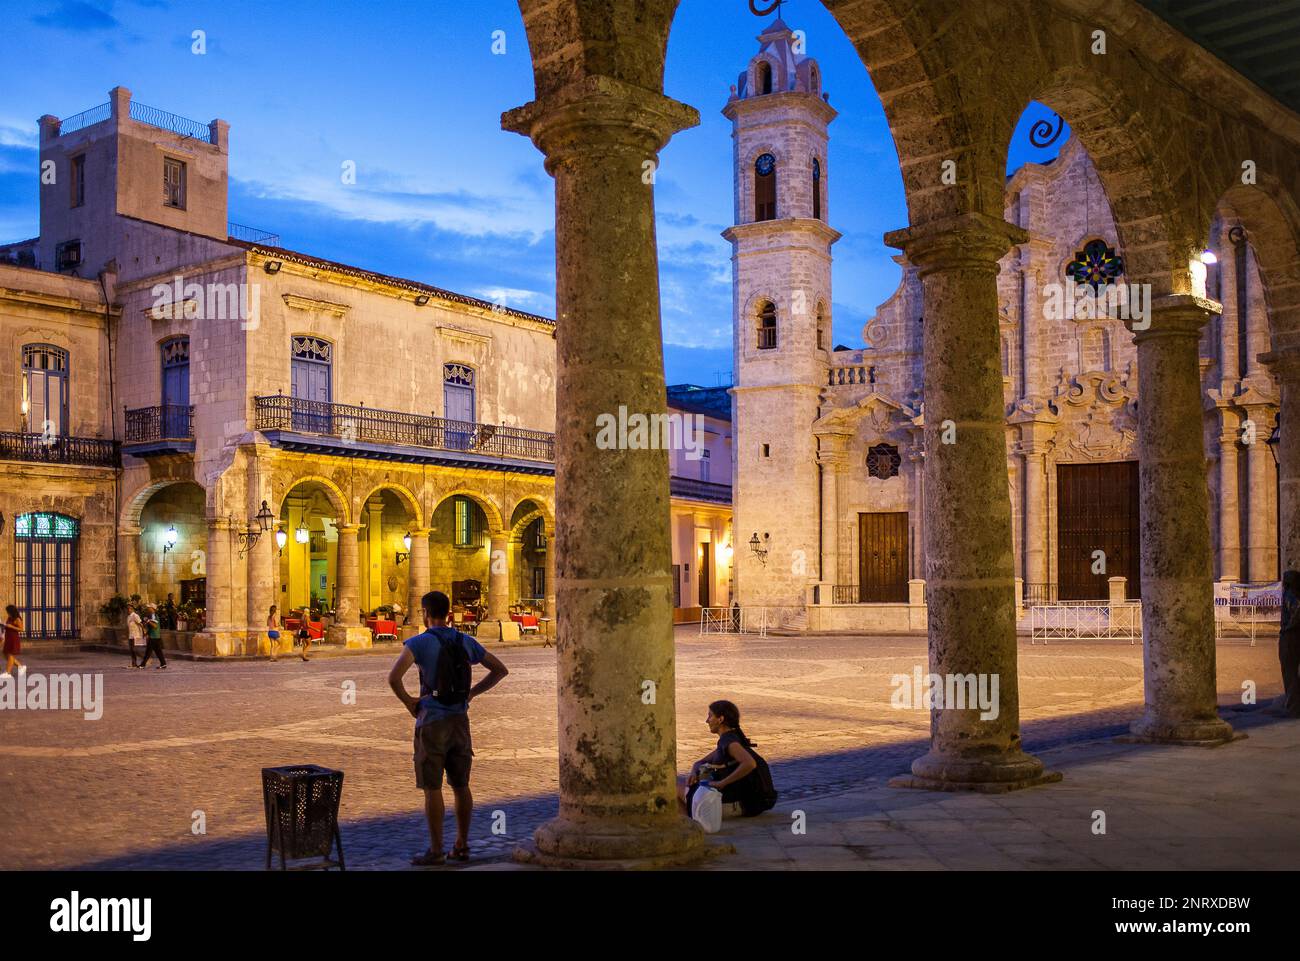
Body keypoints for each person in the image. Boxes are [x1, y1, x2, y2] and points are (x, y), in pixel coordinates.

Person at [388, 590, 508, 866]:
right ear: (449, 614)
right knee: (461, 785)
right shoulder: (465, 641)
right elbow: (500, 670)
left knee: (433, 787)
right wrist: (472, 693)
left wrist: (409, 702)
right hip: (460, 722)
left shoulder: (418, 643)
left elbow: (394, 678)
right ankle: (463, 845)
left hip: (432, 721)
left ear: (425, 613)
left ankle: (436, 849)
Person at [677, 700, 777, 819]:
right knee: (677, 783)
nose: (707, 720)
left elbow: (750, 763)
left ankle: (689, 821)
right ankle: (690, 818)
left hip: (736, 806)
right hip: (746, 805)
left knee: (670, 787)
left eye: (710, 716)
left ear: (720, 719)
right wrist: (693, 772)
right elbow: (700, 762)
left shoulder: (729, 742)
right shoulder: (730, 739)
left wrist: (722, 783)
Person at [1278, 570, 1300, 717]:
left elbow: (1298, 609)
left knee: (1289, 672)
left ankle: (1293, 707)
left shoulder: (1290, 594)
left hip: (1290, 637)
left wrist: (1289, 626)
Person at [138, 605, 167, 669]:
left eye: (149, 607)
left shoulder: (153, 616)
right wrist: (147, 632)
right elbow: (151, 627)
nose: (148, 608)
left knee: (148, 652)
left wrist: (148, 621)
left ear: (153, 609)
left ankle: (142, 665)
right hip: (156, 636)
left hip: (153, 637)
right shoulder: (151, 616)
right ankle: (163, 664)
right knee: (158, 652)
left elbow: (155, 626)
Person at [3, 605, 24, 677]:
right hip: (8, 637)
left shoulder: (17, 619)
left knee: (11, 654)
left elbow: (21, 629)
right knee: (5, 654)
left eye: (8, 612)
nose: (7, 613)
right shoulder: (9, 617)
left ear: (12, 611)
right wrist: (4, 625)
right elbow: (8, 625)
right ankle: (20, 666)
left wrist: (11, 626)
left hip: (13, 638)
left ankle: (8, 672)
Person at [126, 602, 144, 668]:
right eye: (127, 608)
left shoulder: (135, 616)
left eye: (130, 608)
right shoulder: (128, 617)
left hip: (136, 635)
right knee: (131, 650)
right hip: (130, 635)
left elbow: (141, 624)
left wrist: (144, 633)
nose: (128, 610)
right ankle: (134, 663)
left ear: (133, 609)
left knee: (135, 650)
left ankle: (145, 659)